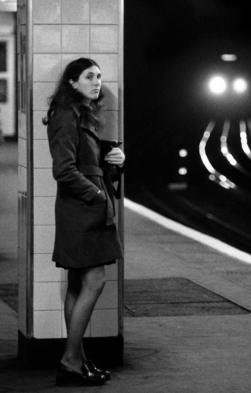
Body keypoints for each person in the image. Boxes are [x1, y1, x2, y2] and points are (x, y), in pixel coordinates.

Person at [44, 58, 125, 386]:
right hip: (82, 210)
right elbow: (63, 169)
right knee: (94, 281)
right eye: (89, 77)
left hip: (81, 208)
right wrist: (97, 195)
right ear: (72, 82)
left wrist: (117, 160)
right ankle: (70, 359)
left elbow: (91, 161)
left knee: (79, 283)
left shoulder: (81, 114)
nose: (97, 82)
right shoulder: (66, 116)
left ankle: (77, 359)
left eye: (99, 77)